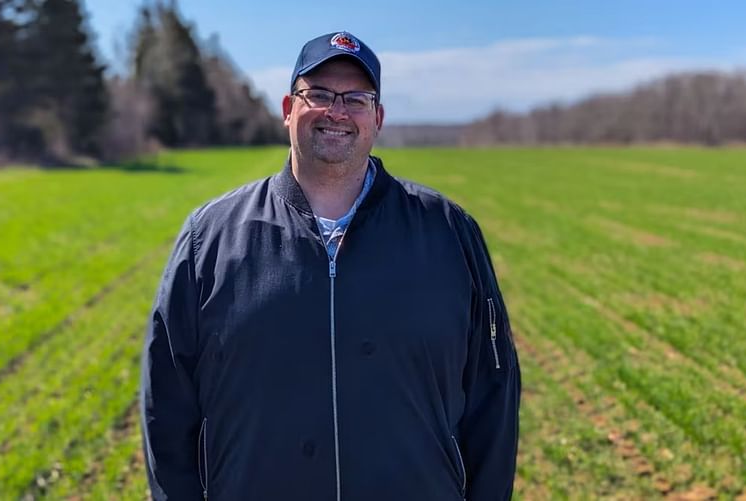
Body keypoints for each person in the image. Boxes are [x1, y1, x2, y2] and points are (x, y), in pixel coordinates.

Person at [141, 31, 521, 501]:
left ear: (377, 118)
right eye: (318, 94)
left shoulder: (448, 232)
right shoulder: (211, 238)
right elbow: (167, 405)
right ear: (287, 109)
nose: (337, 111)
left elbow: (493, 395)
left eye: (356, 98)